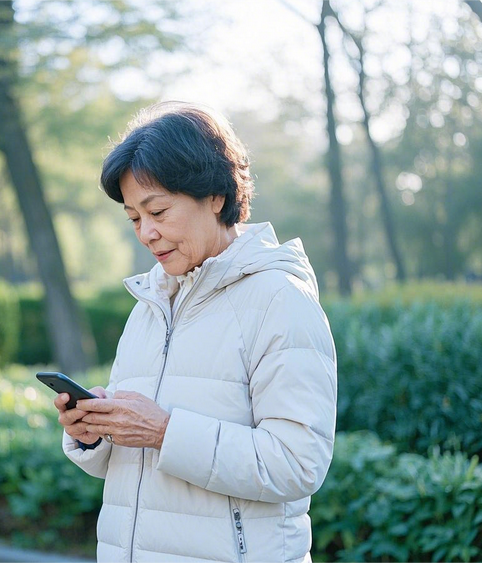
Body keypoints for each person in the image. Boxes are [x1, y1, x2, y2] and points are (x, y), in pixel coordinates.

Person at [54, 102, 337, 563]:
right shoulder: (150, 305)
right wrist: (95, 432)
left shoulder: (279, 299)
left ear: (215, 197)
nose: (145, 233)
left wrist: (164, 431)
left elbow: (297, 464)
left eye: (158, 211)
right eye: (133, 218)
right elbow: (129, 464)